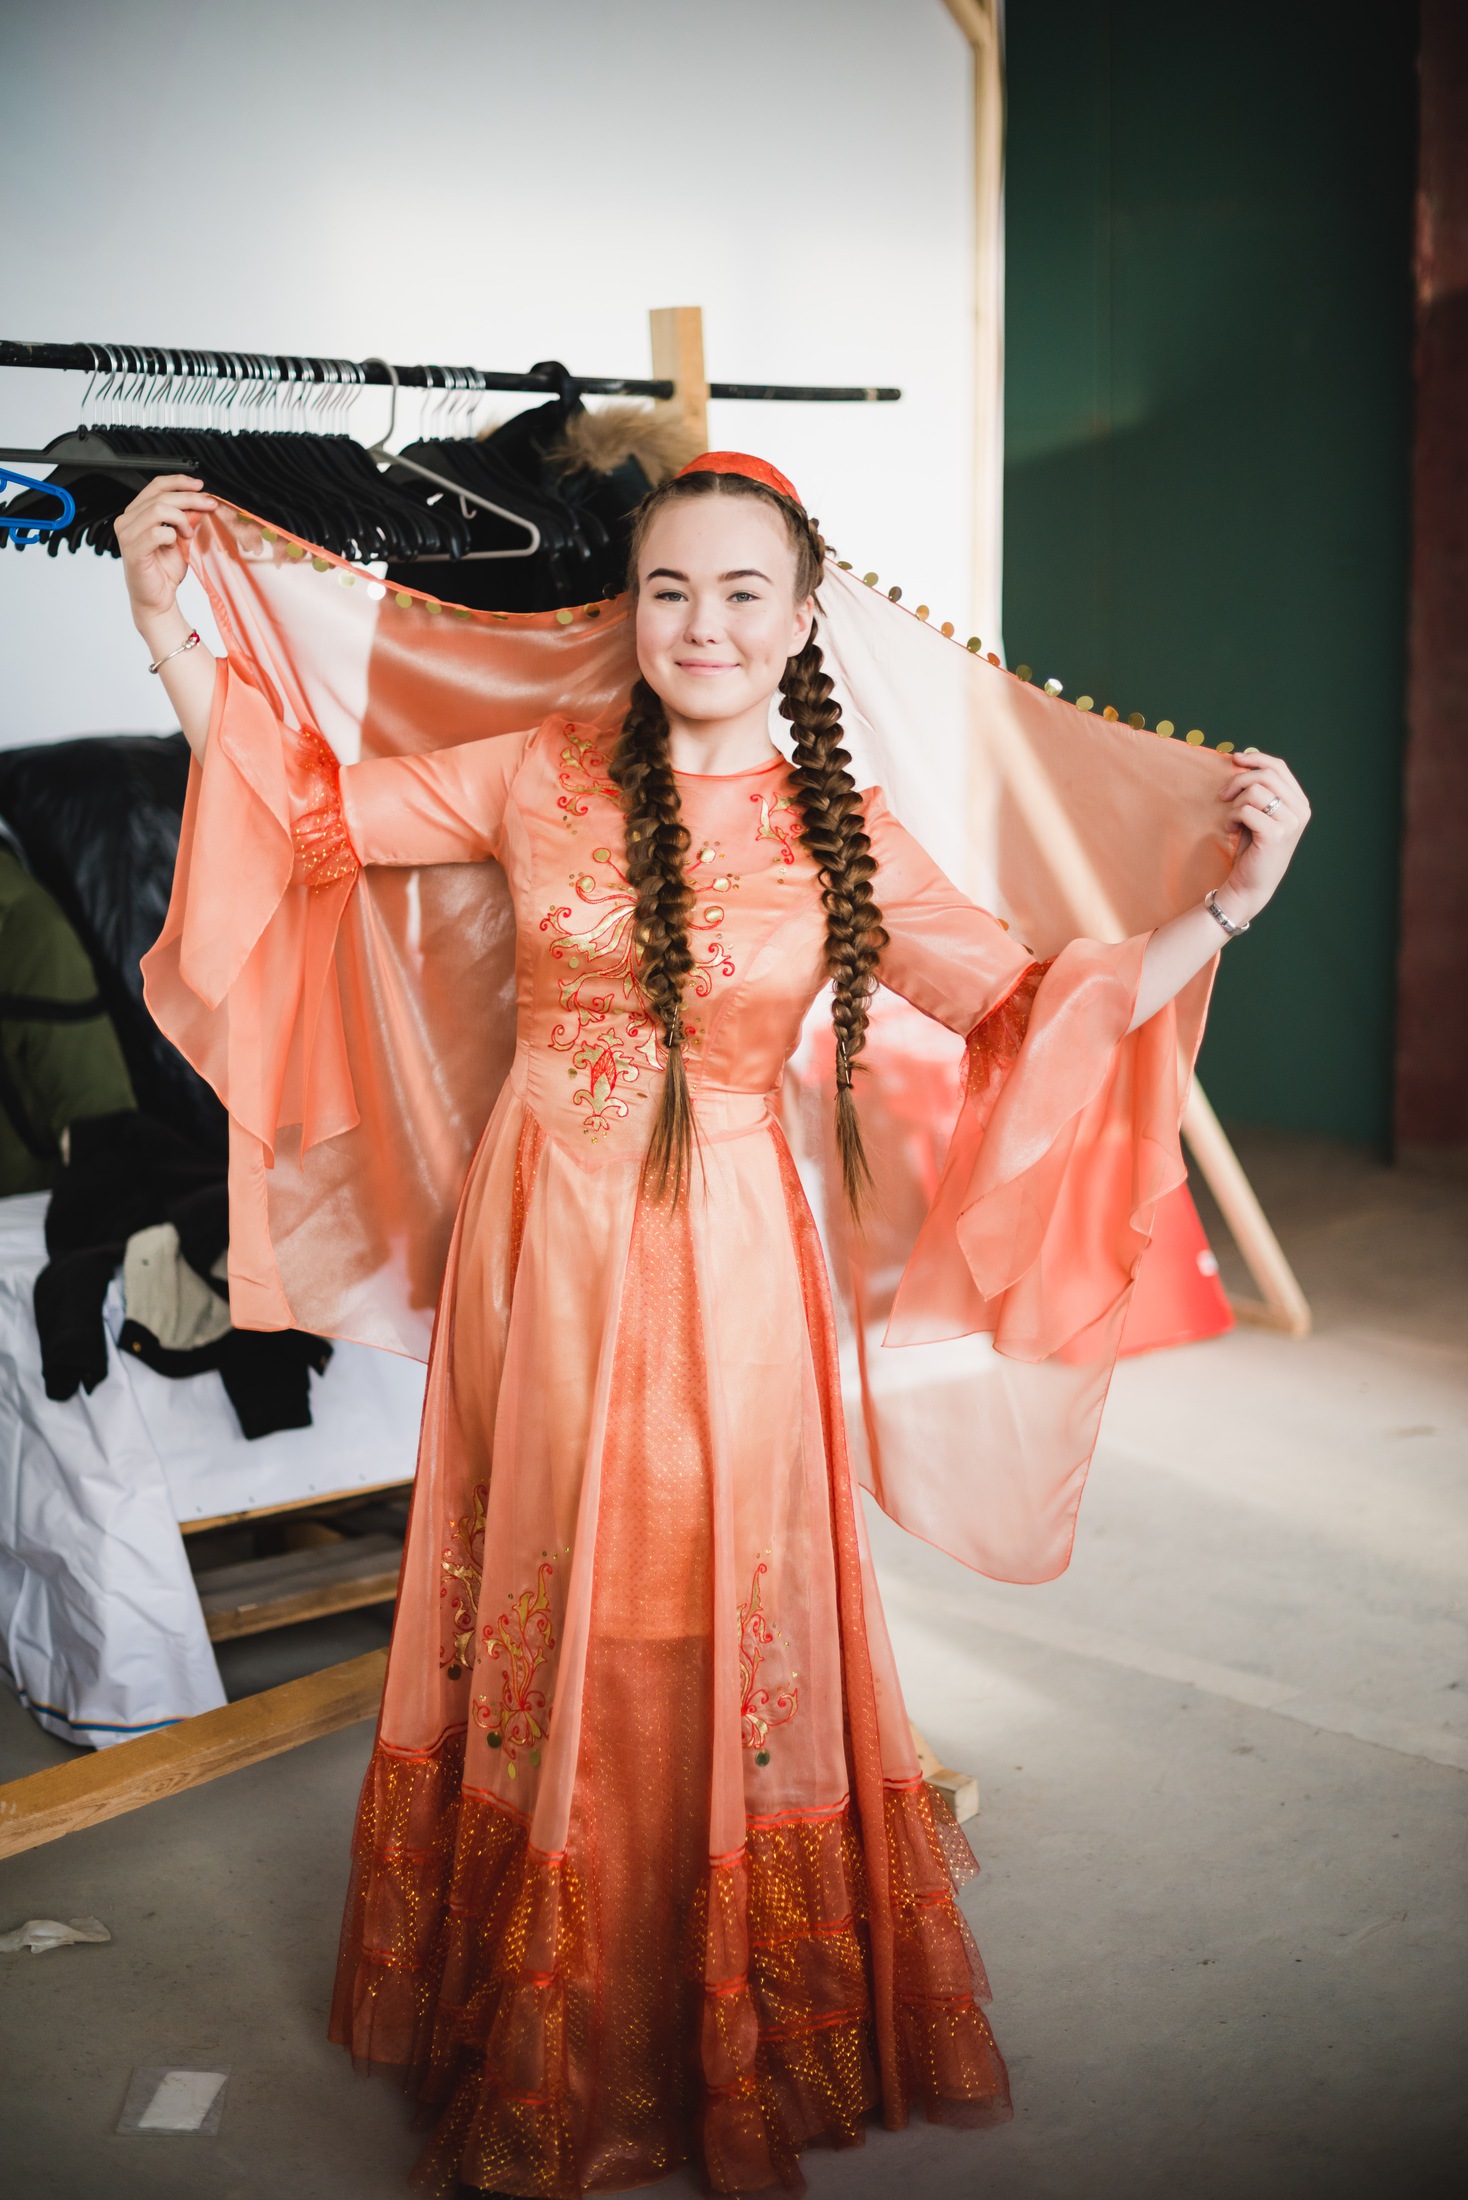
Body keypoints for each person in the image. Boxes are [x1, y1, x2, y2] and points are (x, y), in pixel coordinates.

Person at [117, 454, 1308, 2199]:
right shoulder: (533, 770)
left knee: (701, 1579)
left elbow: (1027, 1008)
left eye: (745, 592)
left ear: (802, 621)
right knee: (554, 1576)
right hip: (541, 1241)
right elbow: (305, 812)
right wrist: (168, 619)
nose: (704, 623)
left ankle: (708, 1985)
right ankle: (564, 1987)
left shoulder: (842, 829)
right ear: (628, 613)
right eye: (670, 589)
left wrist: (1229, 908)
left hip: (732, 1254)